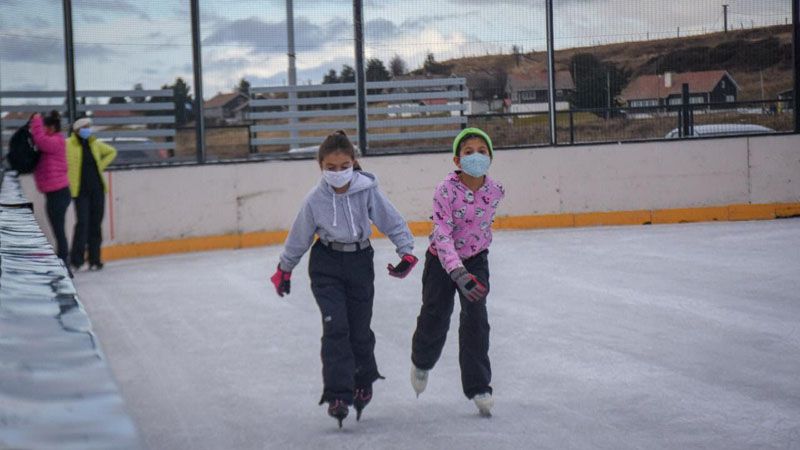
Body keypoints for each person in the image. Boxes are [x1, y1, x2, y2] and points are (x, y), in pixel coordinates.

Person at [270, 130, 418, 427]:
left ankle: (363, 380)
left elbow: (389, 218)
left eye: (344, 167)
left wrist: (407, 251)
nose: (338, 173)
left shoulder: (367, 190)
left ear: (353, 163)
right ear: (321, 167)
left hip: (359, 261)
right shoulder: (314, 199)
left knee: (359, 329)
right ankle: (338, 393)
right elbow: (299, 236)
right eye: (331, 168)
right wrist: (284, 268)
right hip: (326, 264)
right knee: (335, 327)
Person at [410, 127, 505, 417]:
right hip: (441, 261)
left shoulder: (495, 191)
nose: (476, 156)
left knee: (476, 318)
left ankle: (478, 386)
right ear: (456, 160)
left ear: (490, 157)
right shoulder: (445, 191)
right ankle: (422, 361)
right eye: (468, 152)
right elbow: (442, 235)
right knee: (435, 316)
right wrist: (457, 272)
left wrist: (469, 269)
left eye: (482, 151)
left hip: (476, 260)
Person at [66, 117, 117, 271]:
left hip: (97, 190)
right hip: (80, 191)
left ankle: (95, 259)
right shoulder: (68, 144)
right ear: (77, 130)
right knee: (82, 224)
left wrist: (100, 165)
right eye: (85, 127)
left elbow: (112, 151)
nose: (88, 129)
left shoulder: (94, 143)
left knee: (95, 224)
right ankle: (77, 259)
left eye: (89, 127)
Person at [29, 111, 71, 271]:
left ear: (52, 127)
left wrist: (37, 121)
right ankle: (63, 258)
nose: (43, 129)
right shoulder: (53, 141)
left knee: (59, 229)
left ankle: (64, 261)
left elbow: (40, 140)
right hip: (54, 193)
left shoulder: (57, 141)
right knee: (57, 228)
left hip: (59, 193)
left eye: (45, 127)